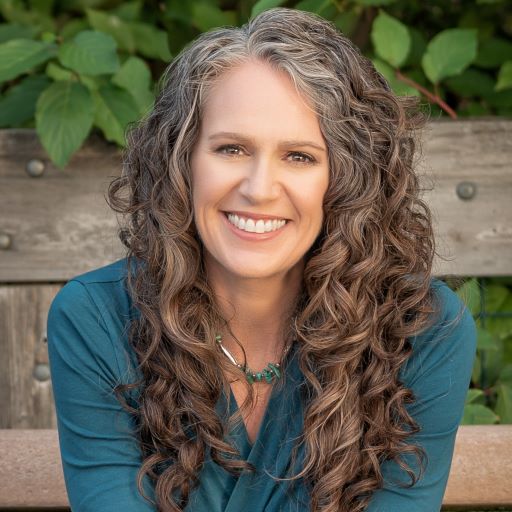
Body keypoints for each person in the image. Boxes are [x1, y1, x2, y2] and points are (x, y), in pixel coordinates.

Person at [47, 7, 477, 512]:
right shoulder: (97, 322)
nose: (258, 189)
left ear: (346, 179)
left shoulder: (422, 332)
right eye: (231, 149)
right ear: (181, 161)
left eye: (299, 156)